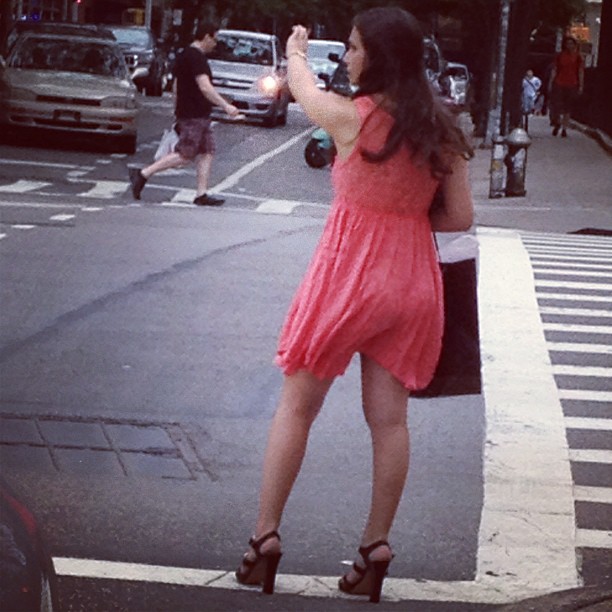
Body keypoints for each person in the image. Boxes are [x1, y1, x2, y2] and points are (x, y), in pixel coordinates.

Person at [234, 7, 474, 604]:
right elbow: (460, 216)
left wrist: (294, 49)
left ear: (380, 57)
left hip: (348, 276)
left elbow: (303, 87)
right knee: (390, 421)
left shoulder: (352, 119)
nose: (346, 57)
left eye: (353, 47)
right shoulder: (442, 128)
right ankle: (375, 547)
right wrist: (407, 217)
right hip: (412, 278)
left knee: (297, 407)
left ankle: (264, 539)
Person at [128, 23, 240, 206]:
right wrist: (226, 106)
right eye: (214, 39)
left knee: (207, 151)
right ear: (206, 37)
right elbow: (205, 87)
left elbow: (176, 86)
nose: (215, 44)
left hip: (194, 112)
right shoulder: (197, 59)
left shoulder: (183, 55)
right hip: (194, 113)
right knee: (185, 154)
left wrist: (176, 109)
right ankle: (143, 174)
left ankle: (201, 193)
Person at [549, 36, 584, 138]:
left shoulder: (578, 57)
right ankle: (558, 122)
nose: (569, 46)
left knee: (568, 108)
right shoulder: (560, 56)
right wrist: (551, 81)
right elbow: (555, 69)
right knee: (557, 106)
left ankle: (564, 128)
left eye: (571, 43)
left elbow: (580, 71)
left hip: (572, 83)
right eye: (567, 43)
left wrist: (581, 85)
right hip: (559, 82)